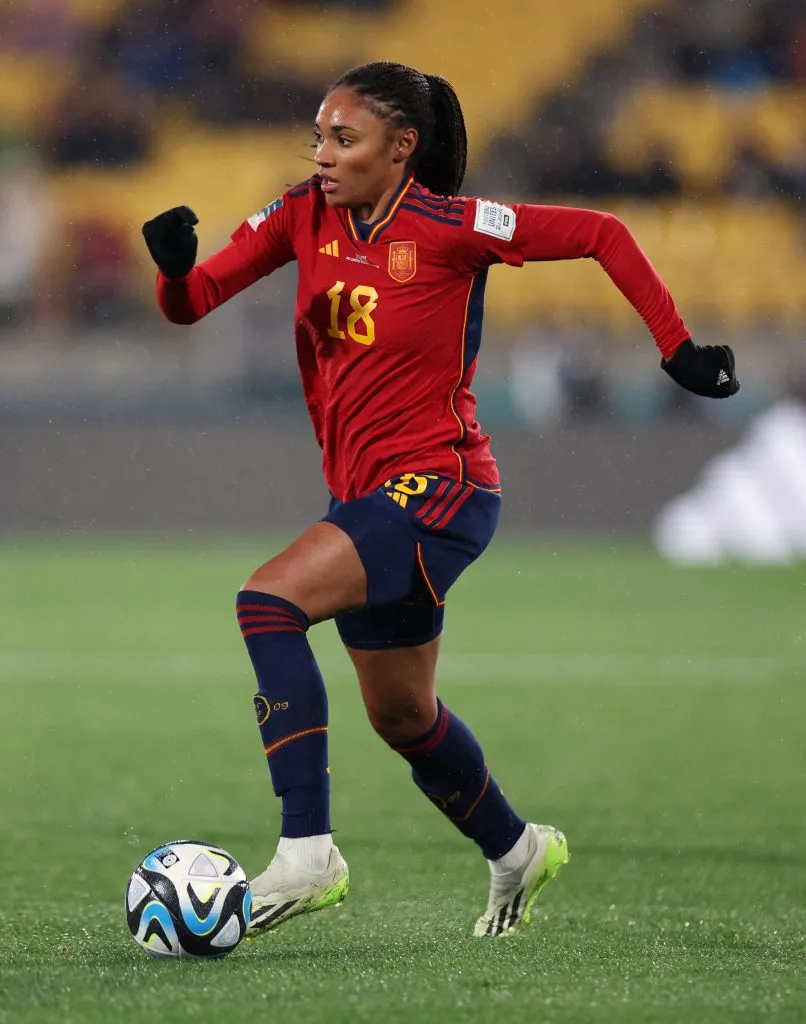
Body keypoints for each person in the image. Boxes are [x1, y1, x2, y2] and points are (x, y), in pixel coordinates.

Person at [142, 61, 740, 940]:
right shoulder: (302, 214)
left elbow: (603, 232)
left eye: (344, 139)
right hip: (367, 494)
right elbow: (195, 302)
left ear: (401, 148)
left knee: (266, 603)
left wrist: (676, 349)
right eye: (318, 136)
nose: (322, 155)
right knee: (402, 713)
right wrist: (171, 268)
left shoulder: (453, 227)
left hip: (443, 484)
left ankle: (307, 851)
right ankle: (517, 848)